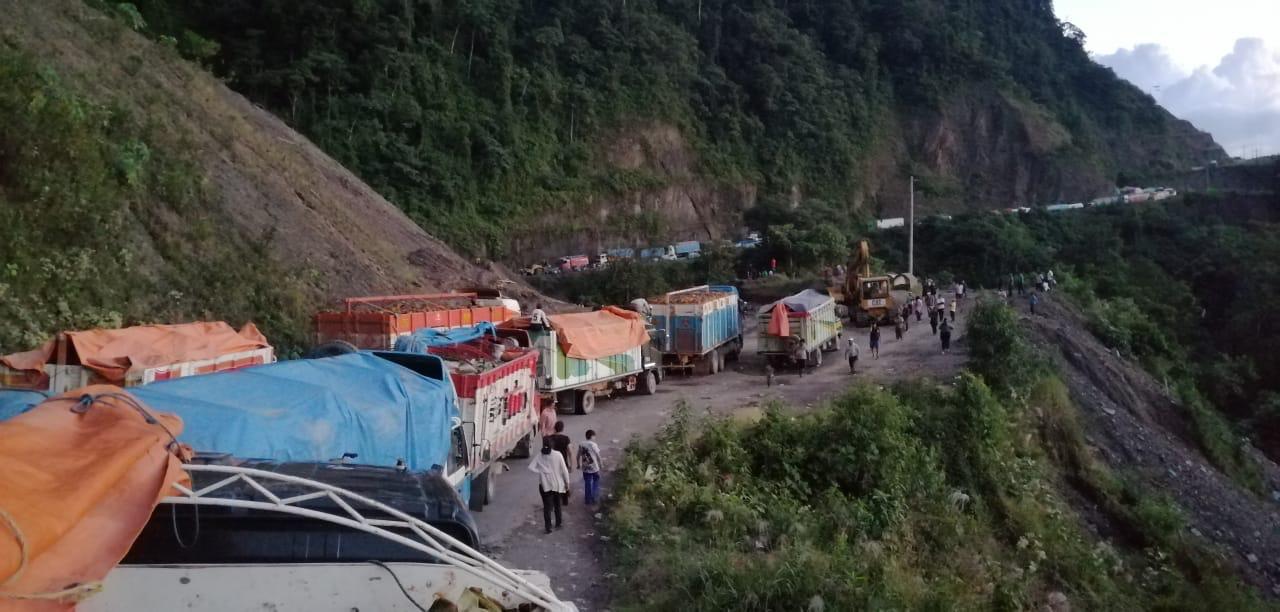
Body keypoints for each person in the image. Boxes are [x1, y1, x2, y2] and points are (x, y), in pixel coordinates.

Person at [528, 441, 570, 534]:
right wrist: (567, 483)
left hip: (544, 485)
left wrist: (541, 471)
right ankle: (558, 524)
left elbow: (531, 467)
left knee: (547, 507)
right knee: (558, 505)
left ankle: (548, 527)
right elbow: (564, 470)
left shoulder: (540, 455)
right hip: (557, 485)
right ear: (553, 446)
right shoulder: (558, 455)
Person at [545, 421, 575, 504]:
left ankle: (553, 500)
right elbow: (570, 452)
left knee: (552, 481)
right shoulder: (566, 438)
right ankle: (564, 500)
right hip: (562, 463)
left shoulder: (549, 438)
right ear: (563, 428)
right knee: (564, 480)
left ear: (554, 428)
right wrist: (572, 465)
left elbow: (545, 452)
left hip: (551, 464)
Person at [578, 430, 603, 505]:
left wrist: (578, 464)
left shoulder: (581, 444)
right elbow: (598, 455)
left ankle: (587, 500)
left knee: (587, 483)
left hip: (585, 467)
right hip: (594, 467)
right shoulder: (593, 444)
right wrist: (601, 464)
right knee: (596, 480)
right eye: (594, 436)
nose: (595, 438)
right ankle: (594, 497)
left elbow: (578, 455)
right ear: (592, 436)